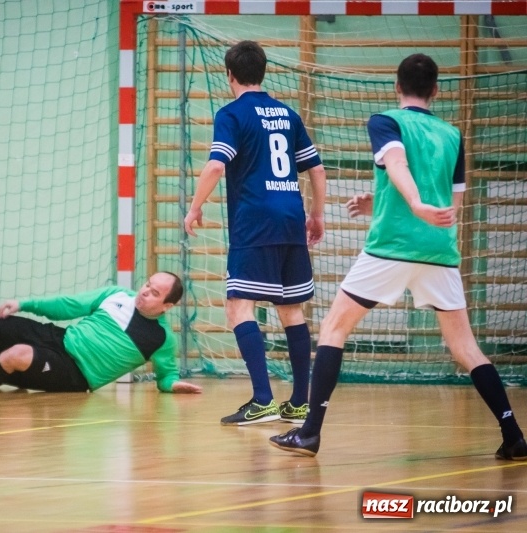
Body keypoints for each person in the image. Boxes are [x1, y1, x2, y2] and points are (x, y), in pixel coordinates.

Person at [270, 54, 526, 461]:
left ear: (396, 85)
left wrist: (416, 203)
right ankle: (514, 435)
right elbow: (451, 205)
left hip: (391, 248)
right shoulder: (452, 134)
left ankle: (310, 433)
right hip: (439, 251)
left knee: (334, 328)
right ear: (437, 90)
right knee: (467, 349)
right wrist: (385, 202)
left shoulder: (386, 121)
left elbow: (397, 164)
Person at [183, 40, 326, 425]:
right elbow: (316, 169)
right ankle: (299, 403)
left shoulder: (231, 114)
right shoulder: (288, 114)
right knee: (291, 308)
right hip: (291, 218)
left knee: (238, 306)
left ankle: (262, 400)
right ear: (263, 72)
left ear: (229, 75)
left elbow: (216, 166)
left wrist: (195, 207)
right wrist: (316, 215)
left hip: (255, 220)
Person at [0, 272, 203, 395]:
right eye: (146, 284)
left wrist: (173, 385)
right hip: (61, 338)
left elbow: (167, 375)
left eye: (155, 293)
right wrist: (23, 304)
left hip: (77, 374)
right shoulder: (117, 294)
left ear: (168, 305)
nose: (145, 292)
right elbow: (69, 305)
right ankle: (0, 371)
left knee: (18, 355)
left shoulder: (162, 339)